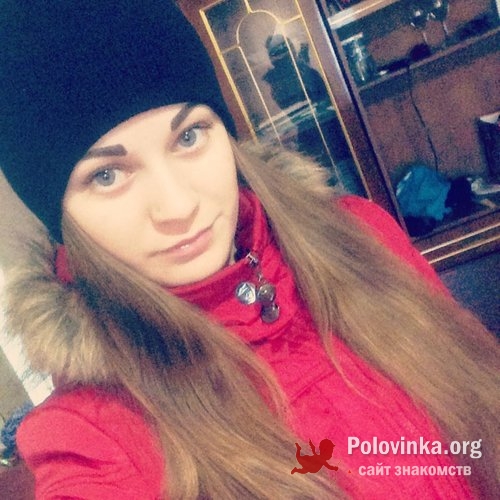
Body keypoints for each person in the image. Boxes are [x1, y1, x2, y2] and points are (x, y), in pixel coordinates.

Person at [0, 1, 498, 499]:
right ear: (60, 216)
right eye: (107, 175)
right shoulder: (92, 436)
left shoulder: (358, 233)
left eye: (189, 136)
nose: (179, 206)